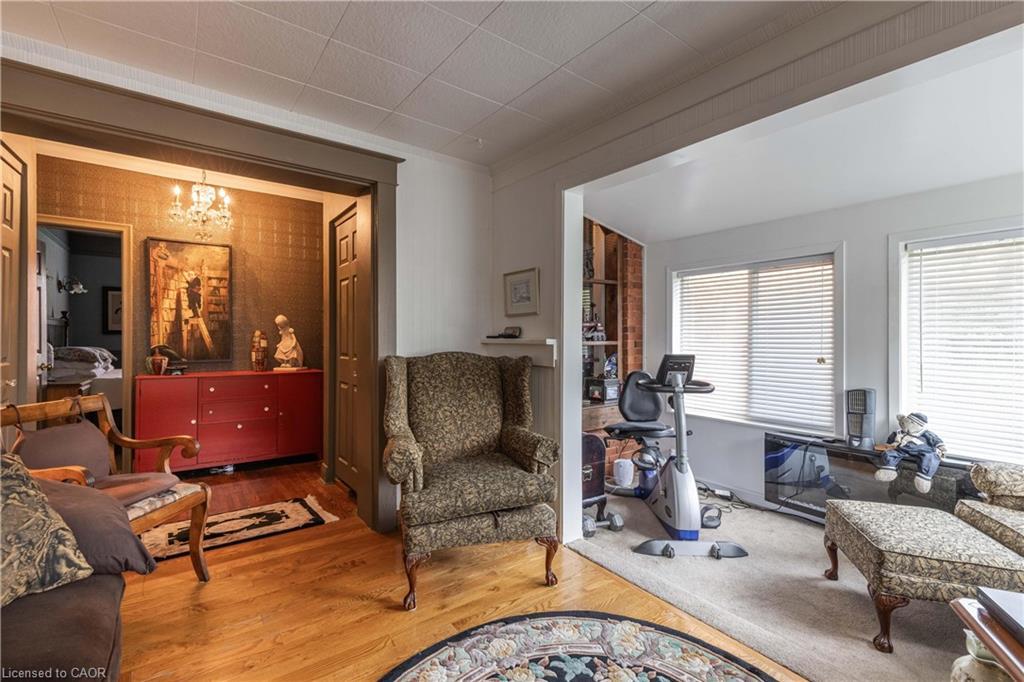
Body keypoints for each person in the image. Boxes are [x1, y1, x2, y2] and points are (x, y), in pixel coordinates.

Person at [875, 412, 947, 494]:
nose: (903, 426)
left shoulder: (925, 433)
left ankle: (924, 477)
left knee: (930, 457)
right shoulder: (899, 432)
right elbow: (891, 439)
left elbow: (936, 440)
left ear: (914, 423)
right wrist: (888, 445)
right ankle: (888, 470)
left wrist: (941, 448)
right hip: (901, 449)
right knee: (889, 454)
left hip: (919, 449)